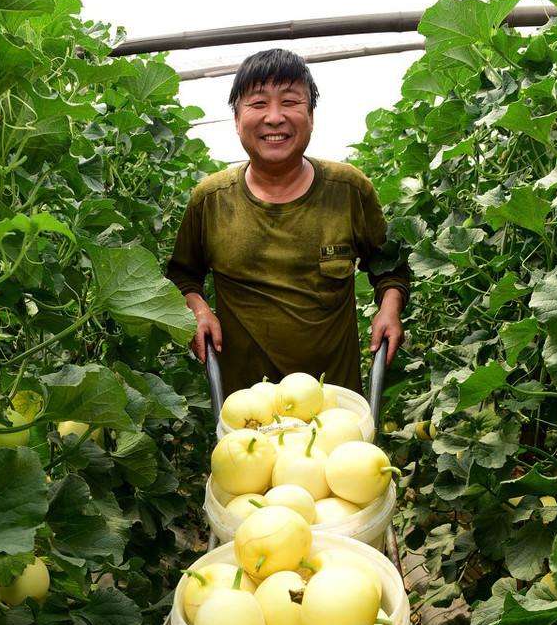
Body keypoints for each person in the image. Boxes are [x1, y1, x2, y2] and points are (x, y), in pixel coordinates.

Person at [166, 48, 409, 396]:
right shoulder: (211, 200)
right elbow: (182, 274)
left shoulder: (349, 189)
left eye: (291, 102)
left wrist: (390, 308)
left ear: (311, 115)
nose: (275, 117)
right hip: (247, 410)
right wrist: (198, 308)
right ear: (237, 120)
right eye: (258, 104)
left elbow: (390, 268)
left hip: (334, 409)